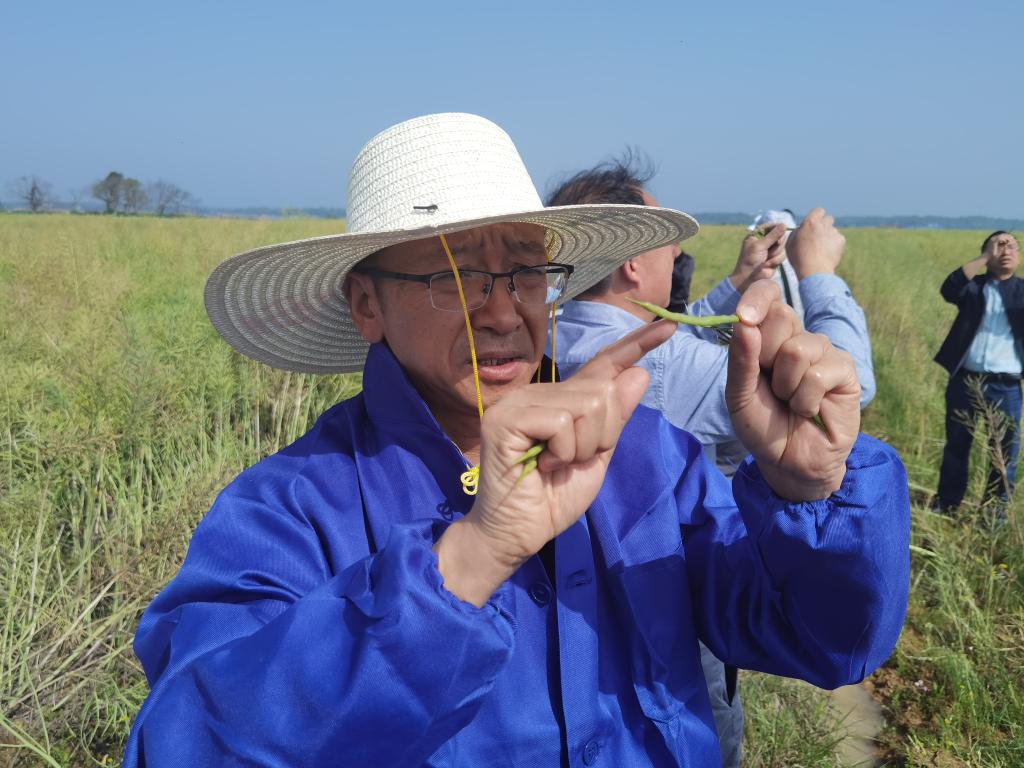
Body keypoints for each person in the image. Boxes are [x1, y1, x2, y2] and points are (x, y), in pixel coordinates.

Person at [124, 113, 910, 768]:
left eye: (527, 272)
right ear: (366, 305)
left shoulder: (643, 455)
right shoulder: (290, 510)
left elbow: (828, 642)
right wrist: (469, 559)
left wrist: (812, 491)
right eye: (454, 276)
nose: (502, 312)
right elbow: (190, 742)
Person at [545, 160, 872, 767]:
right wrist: (819, 275)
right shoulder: (658, 368)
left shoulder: (550, 338)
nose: (678, 254)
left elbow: (667, 334)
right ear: (632, 263)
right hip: (672, 603)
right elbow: (846, 393)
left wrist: (736, 282)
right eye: (669, 241)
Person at [934, 230, 1024, 513]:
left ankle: (993, 515)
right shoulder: (974, 288)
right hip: (965, 381)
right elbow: (949, 288)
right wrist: (985, 256)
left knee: (1004, 454)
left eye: (1012, 246)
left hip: (1006, 387)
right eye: (999, 245)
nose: (1006, 250)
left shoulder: (1021, 292)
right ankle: (947, 504)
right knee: (957, 446)